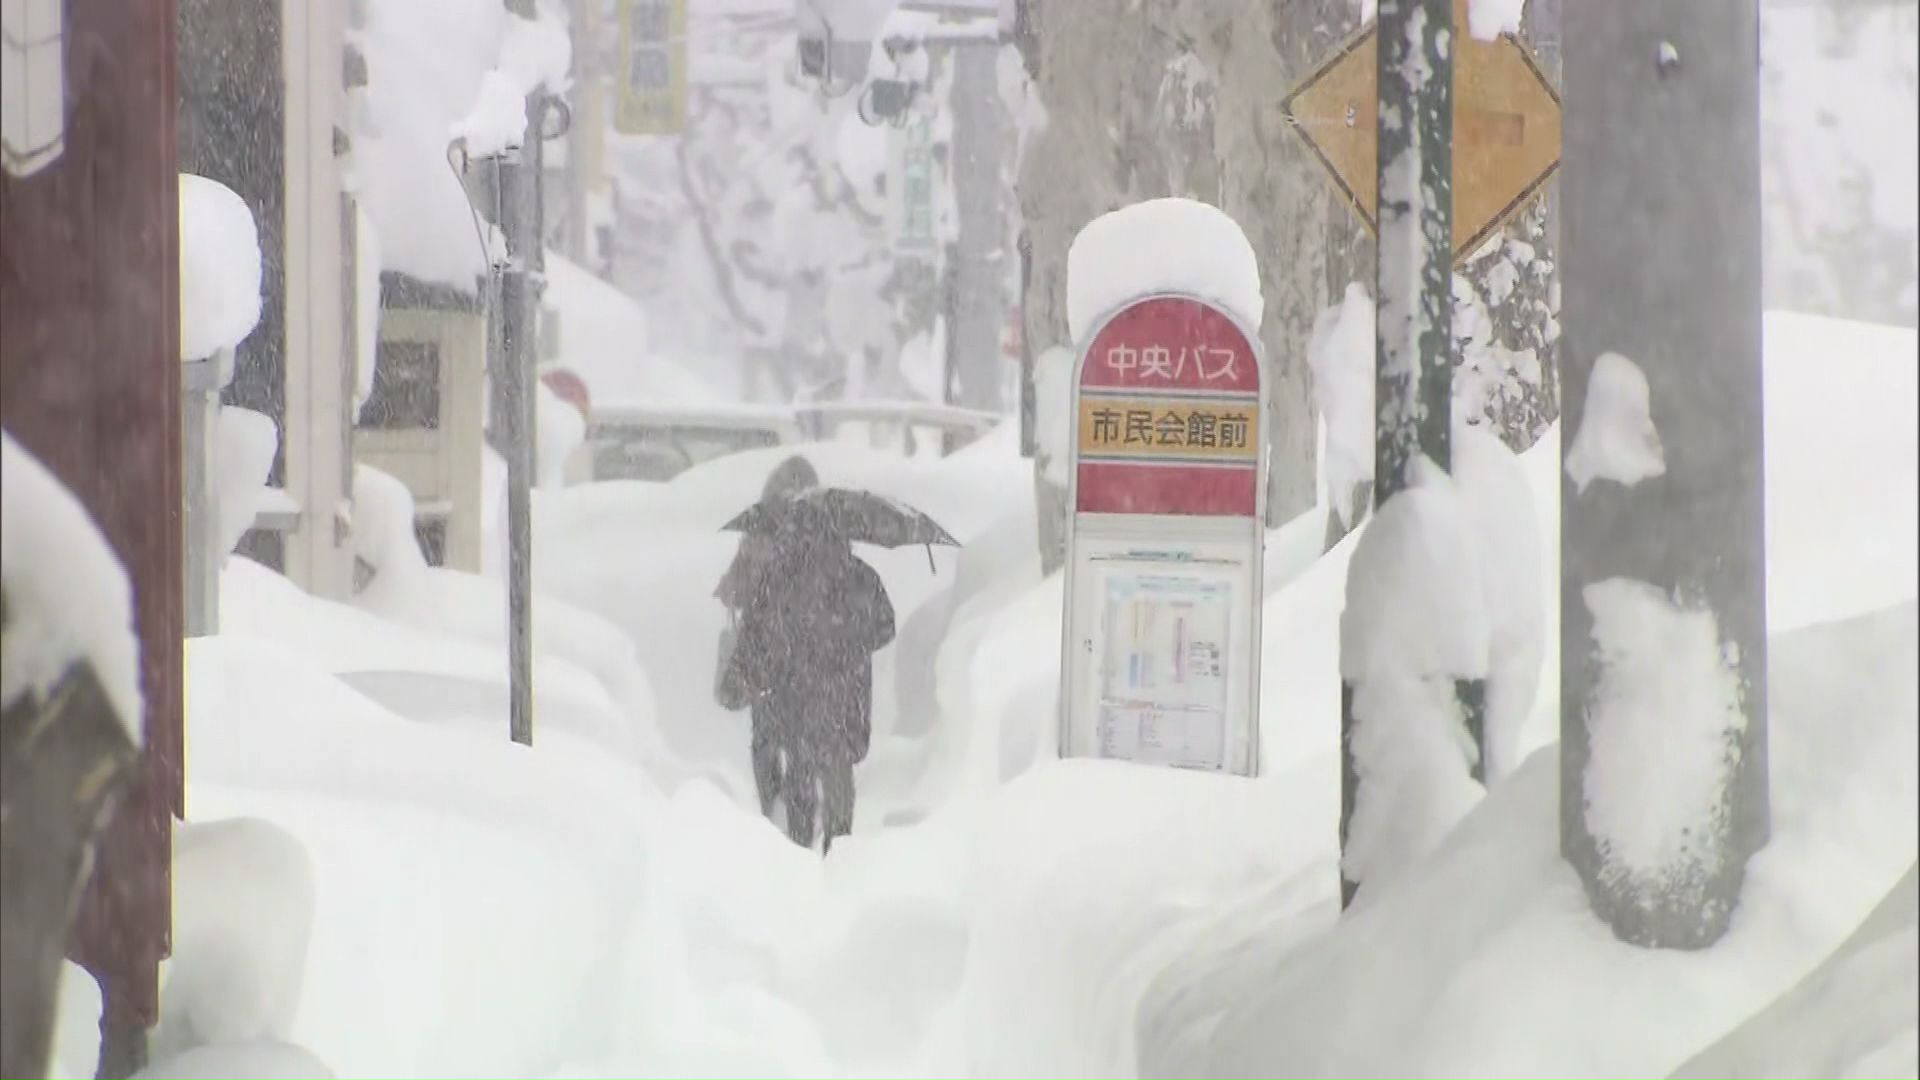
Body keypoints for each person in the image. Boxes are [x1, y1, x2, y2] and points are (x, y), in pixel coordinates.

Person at [718, 496, 894, 852]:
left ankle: (797, 850)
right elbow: (885, 628)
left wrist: (746, 675)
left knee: (800, 771)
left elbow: (762, 634)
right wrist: (849, 643)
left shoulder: (781, 576)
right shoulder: (860, 575)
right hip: (846, 699)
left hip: (795, 700)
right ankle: (839, 847)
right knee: (838, 773)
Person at [715, 456, 821, 820]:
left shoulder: (757, 534)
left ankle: (771, 806)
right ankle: (800, 815)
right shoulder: (820, 536)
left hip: (763, 656)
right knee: (801, 739)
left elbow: (734, 592)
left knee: (765, 735)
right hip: (806, 656)